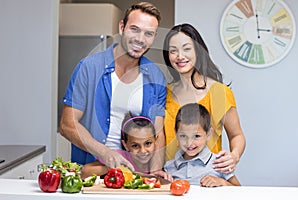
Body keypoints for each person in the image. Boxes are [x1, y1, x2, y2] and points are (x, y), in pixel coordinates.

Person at [60, 2, 166, 173]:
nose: (140, 39)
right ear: (122, 27)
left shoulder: (156, 77)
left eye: (149, 34)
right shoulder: (89, 67)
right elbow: (67, 124)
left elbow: (158, 133)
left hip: (135, 174)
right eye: (135, 29)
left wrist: (155, 173)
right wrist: (105, 153)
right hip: (91, 173)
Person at [163, 23, 246, 173]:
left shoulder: (219, 92)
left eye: (186, 49)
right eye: (173, 51)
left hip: (207, 179)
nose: (180, 56)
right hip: (171, 179)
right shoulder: (165, 92)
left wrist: (234, 156)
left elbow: (237, 135)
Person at [164, 103, 241, 186]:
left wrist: (222, 183)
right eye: (183, 136)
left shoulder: (219, 163)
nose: (189, 142)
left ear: (208, 134)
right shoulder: (169, 167)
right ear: (176, 133)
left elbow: (240, 191)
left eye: (196, 136)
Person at [81, 112, 172, 182]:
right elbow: (84, 172)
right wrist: (113, 167)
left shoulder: (157, 162)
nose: (143, 151)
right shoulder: (120, 157)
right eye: (135, 146)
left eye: (148, 143)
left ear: (156, 141)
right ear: (125, 145)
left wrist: (165, 177)